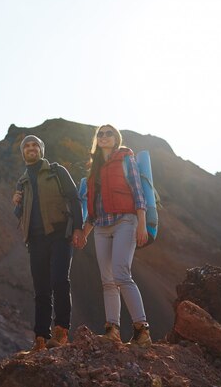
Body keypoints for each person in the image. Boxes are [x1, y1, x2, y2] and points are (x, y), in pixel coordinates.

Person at [80, 124, 152, 347]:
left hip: (125, 221)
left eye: (108, 133)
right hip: (101, 227)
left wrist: (142, 224)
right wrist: (83, 233)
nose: (103, 136)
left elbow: (138, 192)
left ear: (116, 138)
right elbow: (92, 208)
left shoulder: (125, 158)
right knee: (107, 281)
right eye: (100, 134)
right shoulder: (94, 168)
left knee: (121, 274)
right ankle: (112, 330)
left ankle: (142, 330)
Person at [12, 135, 85, 351]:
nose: (31, 148)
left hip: (60, 234)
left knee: (59, 281)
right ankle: (41, 338)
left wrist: (78, 229)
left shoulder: (56, 171)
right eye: (27, 146)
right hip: (35, 241)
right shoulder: (22, 181)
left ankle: (62, 331)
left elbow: (74, 198)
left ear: (42, 150)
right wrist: (17, 204)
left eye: (35, 145)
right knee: (41, 290)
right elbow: (21, 214)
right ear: (23, 152)